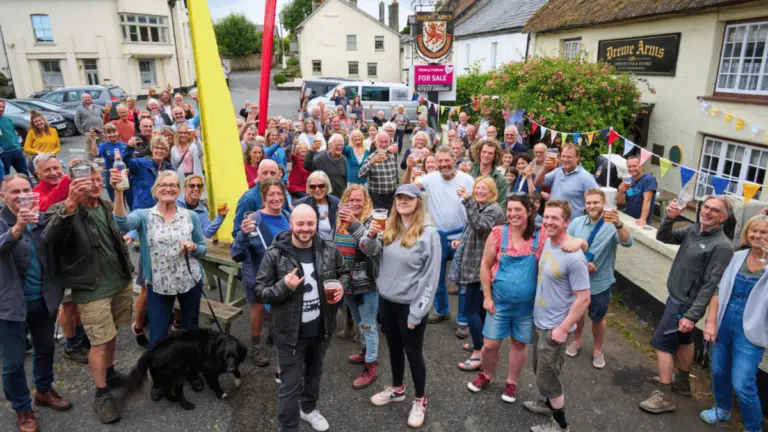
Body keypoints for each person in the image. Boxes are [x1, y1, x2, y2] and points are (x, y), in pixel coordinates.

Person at [44, 163, 134, 424]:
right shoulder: (65, 209)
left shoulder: (105, 205)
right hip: (92, 288)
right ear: (75, 184)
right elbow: (49, 239)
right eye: (89, 180)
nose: (96, 184)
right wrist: (70, 204)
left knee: (113, 332)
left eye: (99, 179)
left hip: (119, 280)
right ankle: (102, 393)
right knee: (99, 342)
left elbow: (120, 225)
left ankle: (110, 371)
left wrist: (118, 192)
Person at [254, 204, 349, 432]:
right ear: (291, 224)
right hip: (289, 334)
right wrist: (282, 287)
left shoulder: (328, 248)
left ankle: (308, 409)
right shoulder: (276, 253)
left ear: (316, 224)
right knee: (290, 386)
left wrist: (342, 287)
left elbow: (344, 272)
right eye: (300, 224)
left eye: (310, 223)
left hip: (321, 329)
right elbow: (260, 290)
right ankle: (288, 428)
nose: (305, 229)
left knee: (315, 373)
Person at [639, 195, 733, 414]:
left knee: (662, 344)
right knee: (685, 340)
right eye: (706, 207)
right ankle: (681, 382)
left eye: (714, 210)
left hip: (685, 304)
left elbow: (711, 285)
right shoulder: (694, 229)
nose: (707, 212)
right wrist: (669, 218)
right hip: (676, 296)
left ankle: (664, 396)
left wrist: (692, 316)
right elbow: (665, 237)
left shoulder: (722, 246)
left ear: (724, 218)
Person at [0, 174, 72, 432]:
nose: (21, 196)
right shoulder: (3, 221)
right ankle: (22, 408)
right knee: (12, 362)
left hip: (42, 300)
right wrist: (17, 228)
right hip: (9, 306)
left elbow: (57, 249)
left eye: (26, 190)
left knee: (45, 349)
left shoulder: (41, 219)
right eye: (14, 192)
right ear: (3, 196)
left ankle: (43, 390)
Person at [112, 170, 206, 357]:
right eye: (163, 185)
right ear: (155, 190)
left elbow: (203, 248)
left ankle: (191, 370)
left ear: (178, 190)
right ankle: (160, 377)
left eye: (173, 185)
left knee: (190, 330)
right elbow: (122, 224)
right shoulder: (144, 215)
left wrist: (194, 247)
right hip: (158, 283)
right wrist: (119, 191)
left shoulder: (190, 216)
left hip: (190, 280)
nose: (168, 188)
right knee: (158, 334)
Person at [369, 184, 440, 429]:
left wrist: (418, 311)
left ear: (418, 202)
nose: (402, 201)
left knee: (413, 353)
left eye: (408, 198)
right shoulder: (389, 226)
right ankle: (398, 389)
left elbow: (431, 276)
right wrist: (369, 235)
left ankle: (420, 399)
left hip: (410, 305)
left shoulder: (429, 233)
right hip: (386, 300)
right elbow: (371, 253)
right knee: (393, 348)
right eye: (399, 197)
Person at [522, 200, 591, 432]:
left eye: (555, 218)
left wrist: (563, 329)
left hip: (555, 327)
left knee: (549, 376)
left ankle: (560, 425)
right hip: (539, 321)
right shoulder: (548, 243)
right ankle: (547, 404)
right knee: (540, 369)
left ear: (566, 222)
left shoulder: (575, 257)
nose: (549, 222)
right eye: (547, 217)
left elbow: (583, 299)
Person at [699, 215, 768, 431]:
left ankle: (753, 427)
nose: (757, 236)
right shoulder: (738, 256)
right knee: (719, 370)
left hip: (753, 327)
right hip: (725, 319)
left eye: (763, 232)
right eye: (753, 231)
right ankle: (723, 409)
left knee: (742, 383)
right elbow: (719, 289)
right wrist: (710, 322)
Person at [404, 146, 474, 332]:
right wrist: (409, 169)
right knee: (436, 276)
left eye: (446, 160)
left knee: (463, 280)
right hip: (438, 235)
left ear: (455, 159)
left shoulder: (467, 179)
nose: (443, 165)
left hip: (462, 235)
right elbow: (406, 189)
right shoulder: (430, 178)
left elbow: (477, 206)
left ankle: (464, 320)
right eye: (439, 161)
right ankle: (442, 310)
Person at [565, 189, 633, 369]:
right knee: (577, 314)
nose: (592, 206)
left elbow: (627, 242)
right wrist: (582, 262)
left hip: (600, 282)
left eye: (596, 202)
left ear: (603, 203)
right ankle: (577, 341)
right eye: (589, 203)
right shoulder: (577, 223)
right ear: (585, 205)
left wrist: (619, 224)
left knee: (598, 318)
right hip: (577, 281)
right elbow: (565, 246)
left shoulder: (612, 224)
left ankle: (597, 350)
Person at [231, 178, 291, 368]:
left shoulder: (289, 217)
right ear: (263, 197)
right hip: (258, 274)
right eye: (271, 194)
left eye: (279, 194)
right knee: (257, 308)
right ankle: (256, 345)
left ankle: (275, 334)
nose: (275, 198)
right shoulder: (253, 220)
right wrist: (242, 235)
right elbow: (236, 254)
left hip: (282, 274)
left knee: (281, 304)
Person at [333, 185, 382, 389]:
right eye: (350, 200)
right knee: (359, 320)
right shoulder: (339, 221)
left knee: (369, 325)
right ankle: (365, 352)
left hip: (366, 283)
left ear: (366, 201)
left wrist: (353, 223)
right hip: (347, 282)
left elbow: (370, 248)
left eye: (358, 200)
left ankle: (371, 367)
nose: (354, 203)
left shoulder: (372, 222)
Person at [448, 177, 504, 356]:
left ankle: (479, 351)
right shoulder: (480, 207)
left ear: (492, 192)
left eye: (484, 189)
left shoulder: (494, 209)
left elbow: (479, 225)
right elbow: (473, 230)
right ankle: (479, 342)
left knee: (470, 310)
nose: (479, 191)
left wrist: (467, 201)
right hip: (474, 264)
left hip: (479, 267)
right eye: (477, 188)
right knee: (479, 310)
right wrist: (461, 241)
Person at [534, 143, 598, 220]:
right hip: (552, 221)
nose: (565, 159)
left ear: (577, 157)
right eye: (563, 156)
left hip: (572, 226)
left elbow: (597, 201)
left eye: (569, 157)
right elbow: (538, 182)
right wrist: (545, 167)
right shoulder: (558, 171)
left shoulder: (586, 177)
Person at [232, 159, 291, 237]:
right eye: (265, 173)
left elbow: (287, 218)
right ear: (258, 174)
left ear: (278, 175)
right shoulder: (249, 198)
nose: (268, 176)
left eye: (272, 173)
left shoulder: (281, 195)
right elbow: (237, 231)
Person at [176, 175, 228, 239]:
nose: (196, 188)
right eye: (192, 186)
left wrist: (220, 216)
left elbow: (207, 234)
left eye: (199, 186)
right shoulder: (174, 203)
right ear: (184, 188)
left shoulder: (203, 210)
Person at [359, 132, 399, 211]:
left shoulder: (392, 156)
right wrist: (372, 162)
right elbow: (360, 174)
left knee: (391, 220)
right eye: (381, 142)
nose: (384, 144)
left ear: (389, 142)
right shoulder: (371, 157)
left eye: (386, 142)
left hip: (392, 196)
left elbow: (395, 176)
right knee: (379, 221)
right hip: (377, 198)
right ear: (376, 143)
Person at [295, 171, 340, 242]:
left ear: (327, 186)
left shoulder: (337, 203)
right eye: (312, 186)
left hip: (333, 247)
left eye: (321, 186)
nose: (317, 189)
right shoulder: (301, 204)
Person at [92, 123, 129, 201]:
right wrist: (93, 139)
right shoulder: (104, 146)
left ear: (117, 132)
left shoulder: (124, 145)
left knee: (130, 201)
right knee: (117, 202)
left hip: (125, 176)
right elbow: (95, 153)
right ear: (105, 134)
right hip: (112, 177)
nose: (112, 134)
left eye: (114, 131)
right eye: (109, 133)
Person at [617, 155, 657, 226]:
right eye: (629, 166)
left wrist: (643, 218)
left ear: (641, 166)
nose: (632, 169)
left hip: (642, 222)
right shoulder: (628, 180)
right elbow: (620, 202)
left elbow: (647, 200)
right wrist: (620, 191)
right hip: (629, 218)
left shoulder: (648, 179)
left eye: (634, 166)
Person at [304, 133, 347, 198]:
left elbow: (345, 178)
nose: (340, 147)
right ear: (330, 145)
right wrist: (311, 151)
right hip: (325, 197)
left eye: (342, 145)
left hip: (340, 196)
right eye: (337, 145)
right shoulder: (320, 158)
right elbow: (307, 166)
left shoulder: (343, 159)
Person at [469, 140, 508, 207]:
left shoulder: (501, 179)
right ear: (479, 152)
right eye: (484, 152)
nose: (486, 155)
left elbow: (502, 206)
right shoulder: (470, 171)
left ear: (495, 156)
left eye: (490, 153)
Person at [0, 100, 29, 177]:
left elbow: (13, 134)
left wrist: (18, 147)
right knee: (5, 177)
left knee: (24, 174)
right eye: (0, 107)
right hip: (3, 153)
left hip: (16, 151)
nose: (1, 109)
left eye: (3, 107)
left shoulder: (8, 119)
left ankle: (29, 188)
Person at [75, 93, 106, 159]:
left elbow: (106, 112)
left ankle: (103, 164)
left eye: (89, 97)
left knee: (104, 149)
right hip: (88, 133)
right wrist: (83, 133)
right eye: (85, 97)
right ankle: (91, 166)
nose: (87, 99)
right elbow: (77, 121)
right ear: (82, 99)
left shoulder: (97, 106)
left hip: (100, 132)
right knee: (91, 152)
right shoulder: (79, 109)